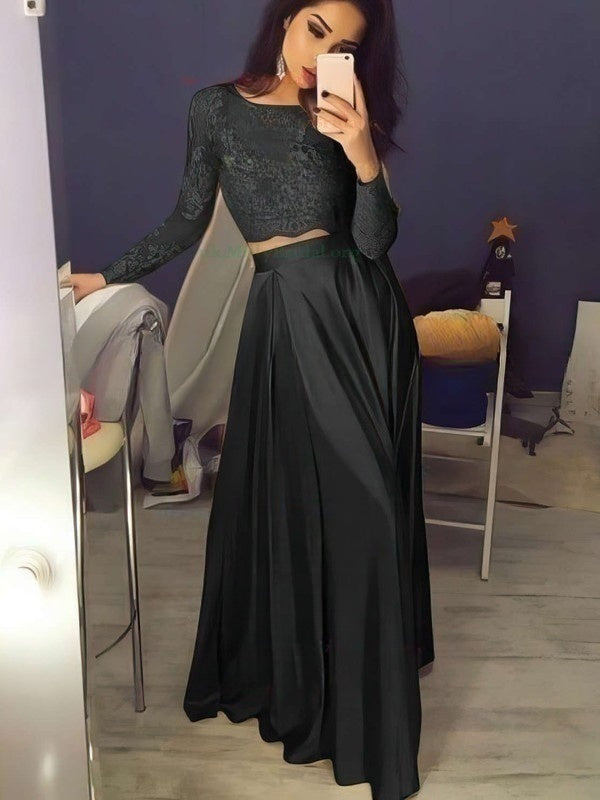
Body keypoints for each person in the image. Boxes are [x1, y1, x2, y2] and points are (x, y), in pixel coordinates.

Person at [70, 2, 435, 798]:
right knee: (290, 501)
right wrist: (108, 274)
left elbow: (375, 240)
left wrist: (362, 152)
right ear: (286, 18)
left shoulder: (345, 116)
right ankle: (299, 685)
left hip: (358, 312)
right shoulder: (215, 108)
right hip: (282, 313)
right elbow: (188, 217)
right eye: (316, 29)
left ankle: (368, 723)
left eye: (344, 45)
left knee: (368, 509)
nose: (321, 52)